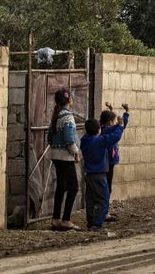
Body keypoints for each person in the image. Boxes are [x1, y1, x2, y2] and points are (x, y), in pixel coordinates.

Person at [80, 117, 124, 231]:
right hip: (99, 175)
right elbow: (115, 137)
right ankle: (97, 224)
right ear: (98, 130)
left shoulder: (85, 140)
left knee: (90, 199)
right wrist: (119, 126)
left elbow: (107, 134)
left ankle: (90, 222)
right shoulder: (100, 141)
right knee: (103, 199)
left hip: (89, 174)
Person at [47, 89, 81, 231]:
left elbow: (49, 138)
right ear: (69, 100)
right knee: (73, 187)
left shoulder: (56, 116)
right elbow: (69, 139)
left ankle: (55, 219)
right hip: (65, 157)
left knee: (62, 186)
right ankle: (66, 219)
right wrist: (76, 153)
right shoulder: (68, 117)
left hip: (55, 155)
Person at [100, 102, 130, 221]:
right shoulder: (107, 131)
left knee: (106, 187)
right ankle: (104, 212)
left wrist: (115, 111)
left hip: (107, 162)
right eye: (112, 121)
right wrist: (125, 114)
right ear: (109, 122)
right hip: (109, 162)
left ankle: (104, 211)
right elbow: (119, 128)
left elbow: (119, 127)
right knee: (107, 187)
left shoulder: (103, 129)